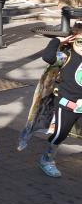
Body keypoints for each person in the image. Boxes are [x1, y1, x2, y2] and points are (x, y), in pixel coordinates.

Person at [38, 23, 82, 178]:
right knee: (60, 134)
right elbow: (48, 57)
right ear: (71, 41)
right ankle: (47, 160)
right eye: (80, 42)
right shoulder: (66, 56)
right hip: (67, 102)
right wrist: (57, 40)